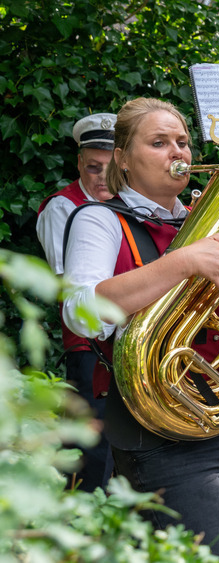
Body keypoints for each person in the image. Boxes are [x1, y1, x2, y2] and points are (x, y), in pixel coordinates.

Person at [61, 98, 219, 562]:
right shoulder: (100, 219)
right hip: (161, 432)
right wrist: (184, 261)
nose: (178, 151)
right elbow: (79, 312)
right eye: (158, 142)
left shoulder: (212, 222)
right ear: (123, 158)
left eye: (183, 141)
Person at [36, 112, 117, 492]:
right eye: (93, 167)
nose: (102, 178)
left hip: (129, 341)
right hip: (90, 346)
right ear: (79, 163)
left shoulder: (128, 204)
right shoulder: (62, 207)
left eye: (110, 168)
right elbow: (76, 285)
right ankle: (77, 514)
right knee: (90, 446)